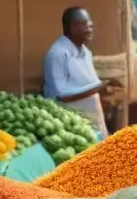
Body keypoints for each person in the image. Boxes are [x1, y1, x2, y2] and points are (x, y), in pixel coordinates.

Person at [42, 7, 109, 138]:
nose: (90, 28)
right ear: (71, 27)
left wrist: (103, 89)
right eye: (84, 24)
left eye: (91, 25)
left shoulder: (86, 53)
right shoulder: (58, 54)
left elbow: (90, 87)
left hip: (93, 121)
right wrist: (98, 87)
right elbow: (60, 96)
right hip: (70, 127)